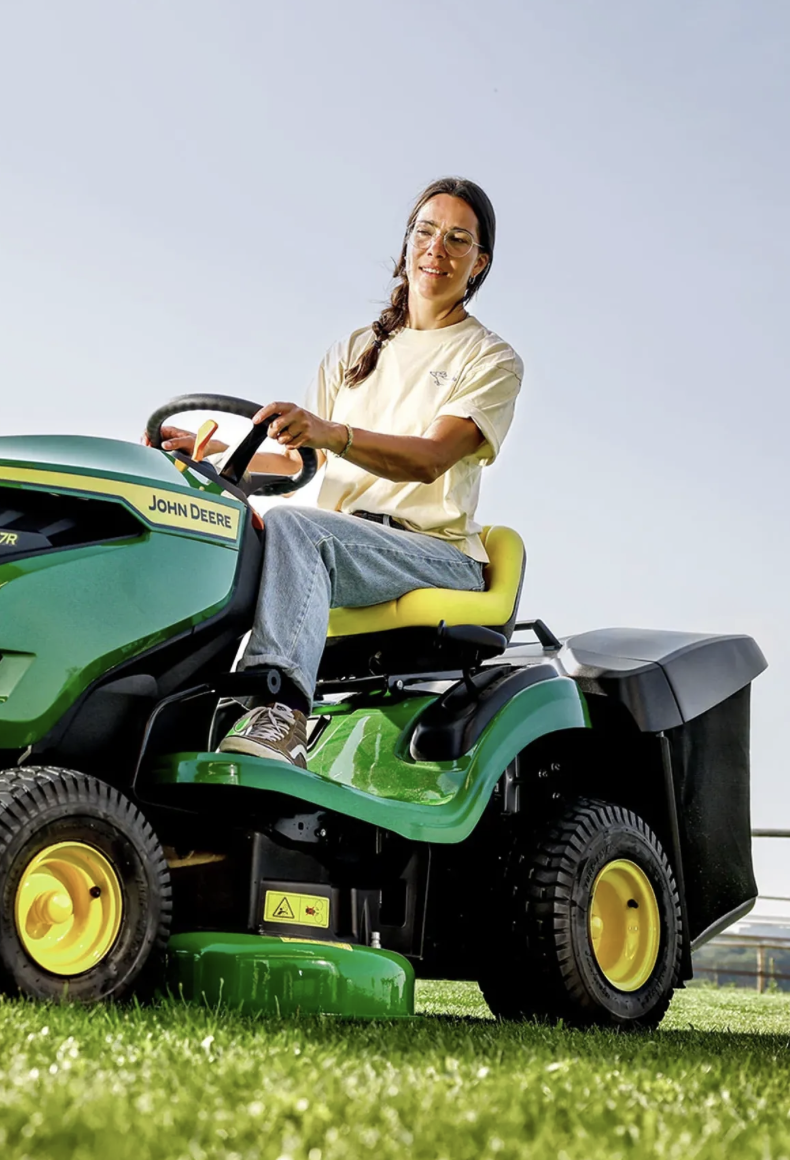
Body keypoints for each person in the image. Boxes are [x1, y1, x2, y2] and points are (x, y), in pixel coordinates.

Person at [158, 176, 524, 767]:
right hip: (347, 543)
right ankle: (185, 709)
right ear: (408, 241)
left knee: (300, 530)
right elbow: (301, 461)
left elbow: (429, 459)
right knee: (231, 533)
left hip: (433, 553)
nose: (437, 249)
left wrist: (334, 432)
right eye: (426, 232)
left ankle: (280, 712)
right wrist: (215, 457)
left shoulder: (489, 358)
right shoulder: (354, 349)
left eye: (458, 239)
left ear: (479, 263)